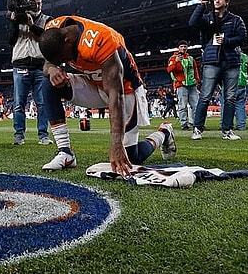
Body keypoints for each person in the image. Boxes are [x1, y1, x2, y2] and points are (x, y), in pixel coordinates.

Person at [38, 16, 177, 176]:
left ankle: (164, 132)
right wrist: (52, 70)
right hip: (93, 83)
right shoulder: (53, 31)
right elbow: (48, 63)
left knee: (131, 157)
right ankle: (65, 152)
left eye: (64, 58)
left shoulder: (101, 39)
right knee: (49, 82)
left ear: (68, 41)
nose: (65, 62)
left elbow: (115, 94)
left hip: (124, 90)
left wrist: (116, 143)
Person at [188, 0, 247, 141]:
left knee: (230, 98)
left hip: (231, 61)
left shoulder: (236, 20)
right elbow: (192, 22)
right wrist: (201, 5)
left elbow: (242, 37)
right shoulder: (207, 18)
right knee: (205, 96)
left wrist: (226, 41)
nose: (217, 1)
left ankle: (227, 130)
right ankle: (197, 129)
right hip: (212, 61)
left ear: (226, 2)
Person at [7, 0, 52, 145]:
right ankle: (19, 135)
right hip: (20, 64)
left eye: (39, 2)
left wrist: (32, 26)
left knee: (42, 103)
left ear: (42, 3)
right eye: (33, 2)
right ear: (27, 2)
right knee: (19, 103)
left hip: (40, 66)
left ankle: (43, 135)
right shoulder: (18, 16)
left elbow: (48, 38)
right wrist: (13, 22)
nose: (36, 4)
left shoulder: (47, 19)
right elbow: (10, 40)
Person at [166, 40, 199, 130]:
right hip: (181, 85)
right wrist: (176, 61)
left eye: (185, 46)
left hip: (192, 85)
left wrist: (197, 80)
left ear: (187, 48)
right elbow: (169, 69)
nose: (183, 48)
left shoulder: (191, 58)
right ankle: (184, 124)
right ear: (178, 48)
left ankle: (197, 124)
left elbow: (195, 70)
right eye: (181, 46)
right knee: (182, 105)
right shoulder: (173, 58)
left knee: (196, 105)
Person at [232, 50, 248, 130]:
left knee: (227, 105)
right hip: (242, 83)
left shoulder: (228, 54)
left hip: (230, 83)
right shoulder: (245, 56)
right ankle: (241, 126)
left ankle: (226, 125)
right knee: (240, 106)